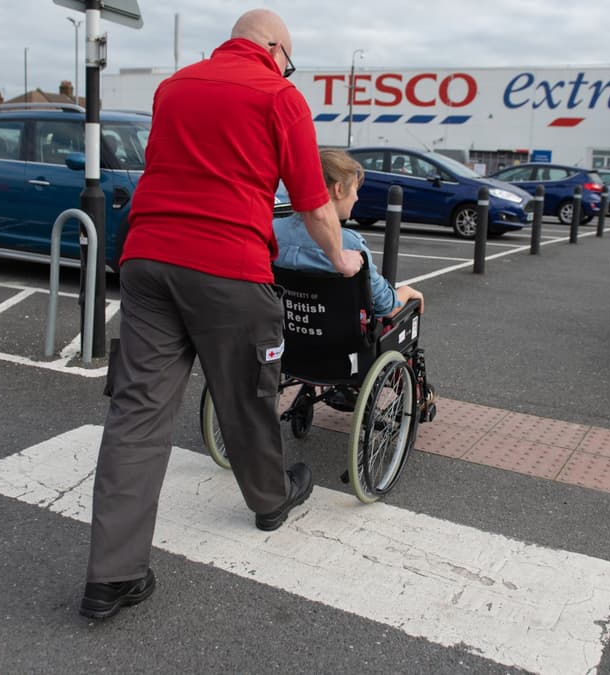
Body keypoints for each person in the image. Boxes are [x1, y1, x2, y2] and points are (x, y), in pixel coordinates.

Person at [80, 9, 363, 622]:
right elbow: (314, 204)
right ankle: (270, 498)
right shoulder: (279, 96)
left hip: (147, 260)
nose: (289, 70)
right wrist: (341, 259)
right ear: (276, 50)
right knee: (247, 397)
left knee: (136, 412)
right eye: (290, 61)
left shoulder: (174, 87)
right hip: (228, 266)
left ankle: (112, 575)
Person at [274, 148, 424, 318]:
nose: (356, 198)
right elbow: (386, 307)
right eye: (355, 189)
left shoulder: (273, 232)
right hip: (339, 332)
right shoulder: (350, 244)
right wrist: (407, 291)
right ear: (338, 189)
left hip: (287, 327)